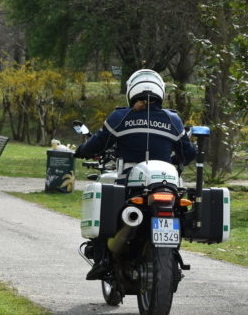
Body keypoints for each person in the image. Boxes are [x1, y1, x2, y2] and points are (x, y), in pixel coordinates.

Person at [74, 69, 197, 279]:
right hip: (166, 185)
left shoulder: (121, 117)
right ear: (161, 92)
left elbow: (98, 143)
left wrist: (81, 151)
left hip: (130, 185)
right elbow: (189, 153)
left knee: (109, 210)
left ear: (131, 90)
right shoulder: (173, 119)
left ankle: (103, 259)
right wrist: (176, 161)